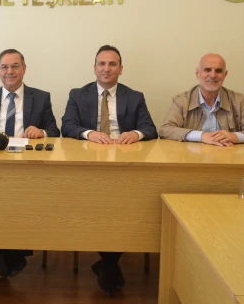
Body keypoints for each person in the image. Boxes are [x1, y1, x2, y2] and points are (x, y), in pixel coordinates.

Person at [60, 44, 157, 297]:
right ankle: (110, 264)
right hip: (88, 167)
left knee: (122, 208)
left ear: (121, 69)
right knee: (98, 207)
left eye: (112, 64)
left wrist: (135, 134)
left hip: (124, 167)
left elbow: (150, 128)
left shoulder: (134, 97)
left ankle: (108, 264)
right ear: (94, 68)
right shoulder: (77, 94)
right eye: (102, 64)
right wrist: (89, 133)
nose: (106, 68)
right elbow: (67, 126)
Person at [0, 48, 60, 279]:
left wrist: (42, 132)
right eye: (4, 67)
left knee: (18, 198)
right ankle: (9, 255)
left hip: (26, 165)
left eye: (15, 66)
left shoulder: (41, 97)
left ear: (24, 69)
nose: (10, 71)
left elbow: (55, 131)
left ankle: (8, 253)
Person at [160, 53, 244, 145]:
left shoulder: (238, 100)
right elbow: (165, 130)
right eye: (207, 70)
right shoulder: (181, 101)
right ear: (197, 73)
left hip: (228, 157)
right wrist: (202, 136)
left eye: (218, 71)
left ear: (225, 75)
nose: (213, 75)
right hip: (191, 159)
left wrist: (234, 136)